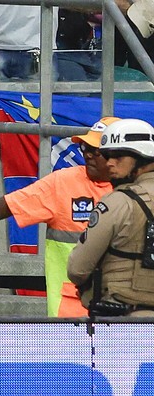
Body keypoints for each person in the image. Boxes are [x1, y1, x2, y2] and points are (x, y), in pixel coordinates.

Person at [0, 119, 121, 318]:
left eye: (96, 151)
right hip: (72, 312)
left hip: (127, 308)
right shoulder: (63, 183)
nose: (88, 154)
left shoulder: (141, 192)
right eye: (84, 147)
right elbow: (8, 205)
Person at [69, 119, 154, 317]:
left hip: (125, 322)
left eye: (118, 156)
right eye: (107, 156)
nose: (109, 163)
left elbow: (77, 269)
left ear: (141, 158)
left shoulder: (118, 202)